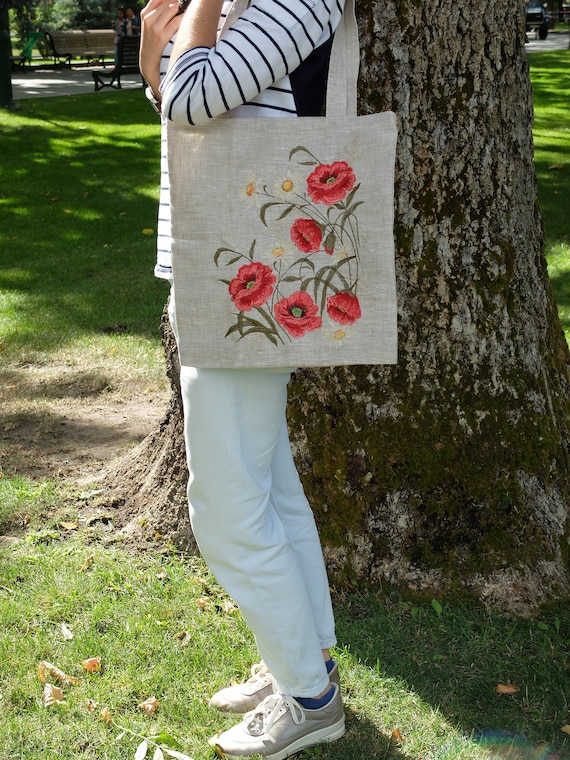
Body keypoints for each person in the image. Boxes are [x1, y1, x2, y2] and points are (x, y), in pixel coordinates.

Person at [140, 0, 346, 756]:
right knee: (267, 487)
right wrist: (148, 62)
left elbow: (195, 99)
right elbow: (187, 98)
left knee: (225, 508)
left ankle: (310, 702)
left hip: (255, 277)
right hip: (227, 263)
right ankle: (303, 662)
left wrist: (192, 13)